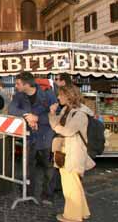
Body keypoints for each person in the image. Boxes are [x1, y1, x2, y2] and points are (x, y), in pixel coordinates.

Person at [9, 71, 58, 204]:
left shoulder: (48, 94)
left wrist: (37, 118)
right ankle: (29, 192)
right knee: (28, 165)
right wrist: (27, 115)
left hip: (46, 135)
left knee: (48, 167)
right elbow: (12, 109)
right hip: (30, 136)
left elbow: (56, 114)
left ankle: (48, 194)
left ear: (26, 84)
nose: (15, 86)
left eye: (18, 83)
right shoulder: (19, 96)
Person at [49, 85, 95, 222]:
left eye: (61, 95)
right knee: (74, 184)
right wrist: (52, 114)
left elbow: (67, 131)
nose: (58, 97)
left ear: (69, 96)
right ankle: (83, 212)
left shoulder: (80, 114)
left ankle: (72, 216)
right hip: (64, 151)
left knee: (71, 186)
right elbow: (56, 125)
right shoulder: (66, 109)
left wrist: (56, 126)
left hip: (74, 152)